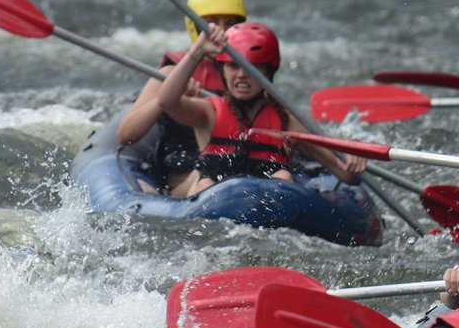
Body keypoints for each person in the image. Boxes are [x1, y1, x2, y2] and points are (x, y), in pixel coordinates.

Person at [154, 21, 364, 197]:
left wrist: (353, 158)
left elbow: (347, 176)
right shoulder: (209, 112)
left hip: (268, 209)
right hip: (213, 204)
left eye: (252, 67)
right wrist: (197, 52)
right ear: (222, 70)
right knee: (205, 184)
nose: (242, 74)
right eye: (234, 66)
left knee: (283, 177)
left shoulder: (287, 121)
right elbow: (167, 101)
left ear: (268, 72)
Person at [117, 0, 248, 196]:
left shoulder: (246, 76)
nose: (221, 31)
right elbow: (126, 135)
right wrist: (170, 95)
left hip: (238, 171)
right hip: (185, 179)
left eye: (231, 24)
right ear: (193, 26)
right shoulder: (170, 74)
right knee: (209, 176)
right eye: (211, 24)